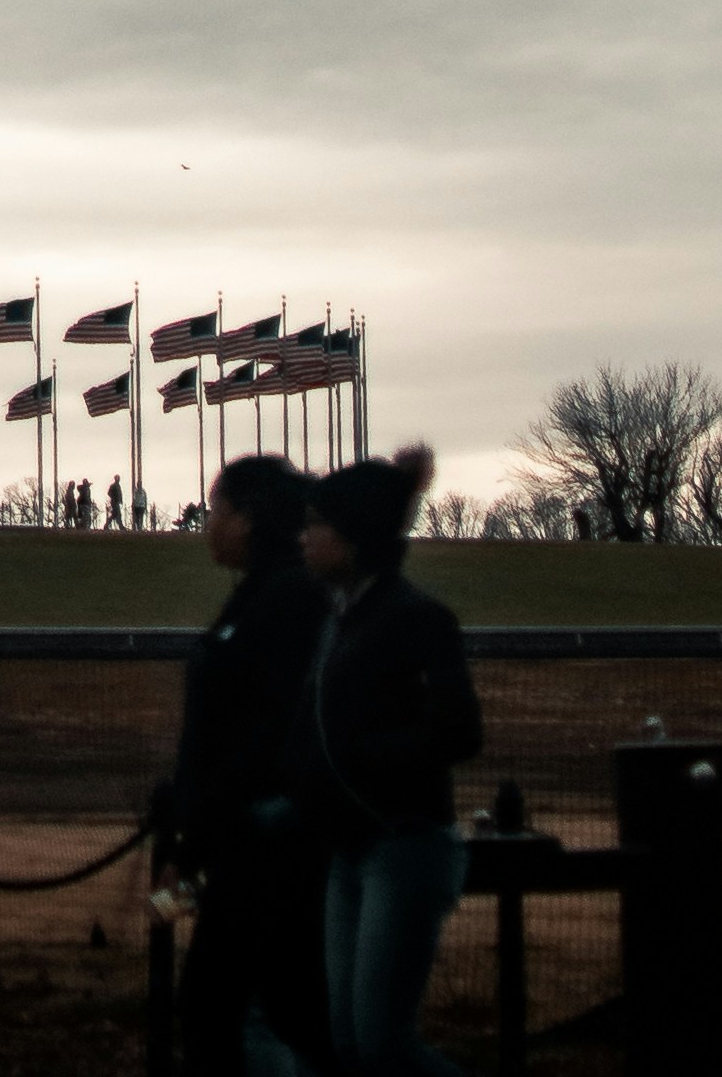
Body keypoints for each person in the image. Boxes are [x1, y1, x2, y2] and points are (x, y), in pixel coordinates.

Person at [285, 451, 482, 1077]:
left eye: (316, 525)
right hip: (349, 850)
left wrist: (360, 759)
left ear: (353, 537)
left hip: (404, 846)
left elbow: (460, 731)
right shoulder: (338, 621)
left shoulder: (416, 617)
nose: (304, 538)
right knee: (351, 1045)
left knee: (382, 1045)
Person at [155, 451, 327, 1077]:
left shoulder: (282, 603)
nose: (207, 521)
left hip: (263, 845)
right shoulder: (260, 598)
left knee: (229, 1014)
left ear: (248, 519)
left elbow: (258, 734)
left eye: (217, 508)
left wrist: (198, 835)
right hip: (238, 842)